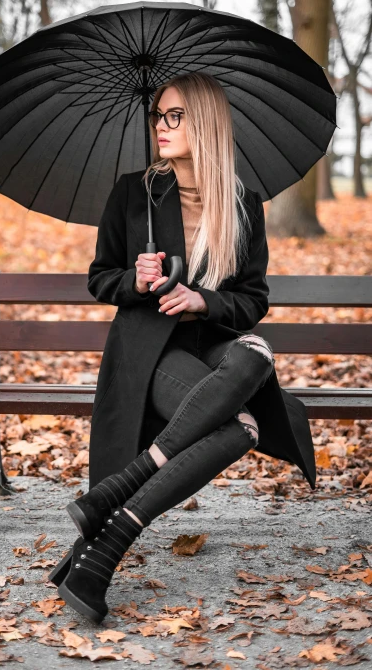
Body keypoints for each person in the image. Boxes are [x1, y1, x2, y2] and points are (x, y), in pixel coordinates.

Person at [48, 72, 276, 624]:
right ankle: (107, 548)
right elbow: (100, 278)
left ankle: (114, 497)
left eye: (176, 116)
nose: (162, 127)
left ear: (206, 123)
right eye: (159, 116)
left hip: (210, 351)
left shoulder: (242, 203)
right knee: (241, 428)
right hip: (148, 353)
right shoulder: (135, 192)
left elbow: (252, 299)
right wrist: (136, 279)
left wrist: (204, 303)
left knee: (256, 352)